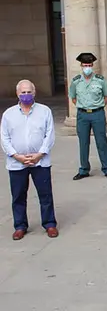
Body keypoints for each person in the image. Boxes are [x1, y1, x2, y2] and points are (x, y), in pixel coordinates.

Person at [1, 80, 58, 241]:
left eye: (29, 92)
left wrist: (40, 154)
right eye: (23, 92)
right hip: (16, 163)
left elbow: (50, 134)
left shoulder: (44, 111)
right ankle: (20, 226)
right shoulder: (8, 114)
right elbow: (4, 138)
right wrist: (16, 155)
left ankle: (49, 224)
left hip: (40, 161)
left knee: (45, 194)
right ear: (17, 94)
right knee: (18, 195)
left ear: (34, 93)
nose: (26, 95)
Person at [70, 52, 107, 180]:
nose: (87, 67)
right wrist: (83, 106)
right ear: (81, 65)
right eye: (85, 65)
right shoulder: (76, 81)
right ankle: (84, 169)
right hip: (83, 115)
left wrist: (99, 105)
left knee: (102, 142)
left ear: (92, 65)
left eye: (89, 65)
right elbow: (73, 97)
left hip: (97, 113)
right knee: (83, 142)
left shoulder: (100, 80)